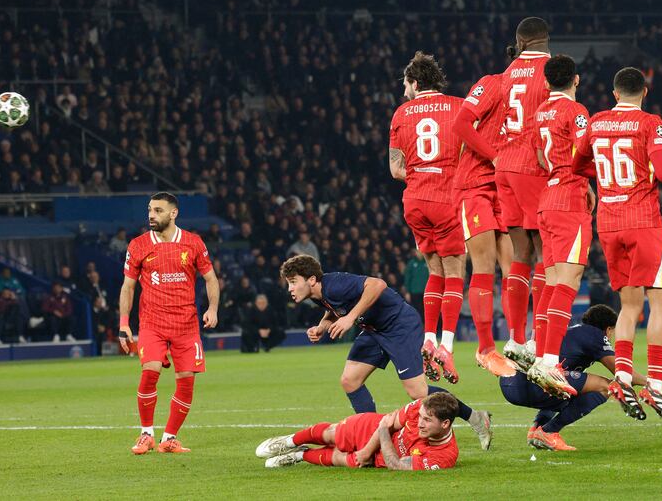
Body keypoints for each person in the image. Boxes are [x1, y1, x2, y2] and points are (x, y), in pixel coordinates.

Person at [572, 67, 662, 422]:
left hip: (609, 223)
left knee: (628, 305)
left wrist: (605, 179)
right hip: (643, 223)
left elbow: (578, 163)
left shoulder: (597, 122)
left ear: (614, 93)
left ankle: (622, 377)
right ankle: (655, 384)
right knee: (660, 302)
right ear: (645, 92)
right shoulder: (651, 123)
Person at [280, 255, 492, 447]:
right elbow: (335, 308)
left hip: (399, 326)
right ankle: (370, 438)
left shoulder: (334, 284)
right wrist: (323, 326)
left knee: (417, 392)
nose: (289, 288)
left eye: (293, 282)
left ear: (311, 280)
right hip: (374, 330)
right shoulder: (318, 294)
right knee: (350, 380)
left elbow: (377, 284)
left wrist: (350, 318)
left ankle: (476, 418)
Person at [389, 52, 489, 384]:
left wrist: (420, 174)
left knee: (434, 271)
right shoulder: (460, 106)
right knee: (455, 271)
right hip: (448, 198)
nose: (404, 90)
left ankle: (428, 338)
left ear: (416, 83)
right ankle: (446, 345)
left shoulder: (401, 113)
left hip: (415, 200)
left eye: (405, 84)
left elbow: (395, 168)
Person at [118, 192, 220, 454]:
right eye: (150, 210)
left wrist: (213, 308)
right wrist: (124, 323)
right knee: (149, 372)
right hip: (152, 322)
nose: (152, 215)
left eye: (158, 210)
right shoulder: (138, 245)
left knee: (186, 380)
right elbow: (128, 287)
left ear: (173, 213)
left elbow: (210, 278)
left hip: (186, 325)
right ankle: (146, 434)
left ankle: (169, 438)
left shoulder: (193, 243)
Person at [526, 55, 594, 398]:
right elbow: (584, 151)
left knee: (552, 281)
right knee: (569, 281)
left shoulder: (539, 112)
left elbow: (540, 158)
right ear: (576, 80)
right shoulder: (576, 111)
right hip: (569, 200)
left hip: (547, 199)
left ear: (547, 83)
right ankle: (551, 360)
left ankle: (542, 353)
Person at [500, 305, 646, 450]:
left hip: (509, 382)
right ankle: (548, 431)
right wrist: (650, 383)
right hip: (530, 383)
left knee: (564, 388)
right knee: (606, 387)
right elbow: (622, 372)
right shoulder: (595, 335)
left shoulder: (576, 331)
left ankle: (537, 431)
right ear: (608, 329)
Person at [451, 70, 518, 377]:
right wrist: (495, 157)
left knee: (515, 269)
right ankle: (485, 348)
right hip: (475, 185)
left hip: (505, 188)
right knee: (484, 267)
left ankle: (517, 343)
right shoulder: (493, 83)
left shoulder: (533, 94)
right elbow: (461, 123)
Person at [495, 17, 552, 370]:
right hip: (535, 165)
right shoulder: (551, 70)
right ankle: (539, 338)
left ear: (520, 42)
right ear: (545, 40)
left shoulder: (505, 74)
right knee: (547, 252)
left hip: (504, 165)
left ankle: (516, 338)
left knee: (520, 254)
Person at [256, 392, 460, 471]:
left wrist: (368, 451)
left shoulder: (445, 456)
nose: (420, 423)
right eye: (421, 417)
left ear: (445, 424)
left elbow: (396, 465)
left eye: (427, 420)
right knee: (332, 433)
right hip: (372, 428)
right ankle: (290, 441)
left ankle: (300, 455)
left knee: (342, 459)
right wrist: (370, 446)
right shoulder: (418, 407)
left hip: (381, 449)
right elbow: (388, 423)